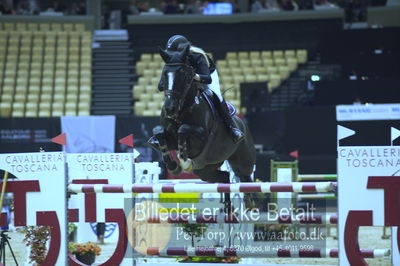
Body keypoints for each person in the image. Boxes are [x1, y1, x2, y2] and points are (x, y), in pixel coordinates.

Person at [158, 35, 245, 144]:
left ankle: (232, 129)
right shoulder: (172, 61)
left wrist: (193, 76)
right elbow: (161, 86)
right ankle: (163, 131)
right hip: (186, 79)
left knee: (216, 95)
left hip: (205, 76)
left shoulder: (198, 56)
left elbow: (207, 79)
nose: (172, 56)